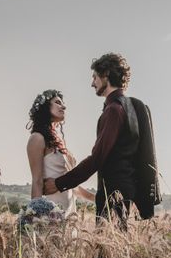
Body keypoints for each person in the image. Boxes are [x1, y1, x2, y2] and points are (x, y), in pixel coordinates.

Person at [43, 53, 140, 227]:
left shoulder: (113, 110)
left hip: (113, 192)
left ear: (106, 75)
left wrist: (59, 183)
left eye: (95, 77)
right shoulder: (128, 107)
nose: (92, 83)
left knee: (107, 250)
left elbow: (97, 158)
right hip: (125, 191)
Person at [26, 90, 94, 214]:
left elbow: (71, 185)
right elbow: (37, 182)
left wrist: (96, 198)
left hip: (70, 214)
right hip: (52, 214)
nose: (64, 106)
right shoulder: (37, 138)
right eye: (58, 102)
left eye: (63, 104)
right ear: (45, 107)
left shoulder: (60, 141)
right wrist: (36, 218)